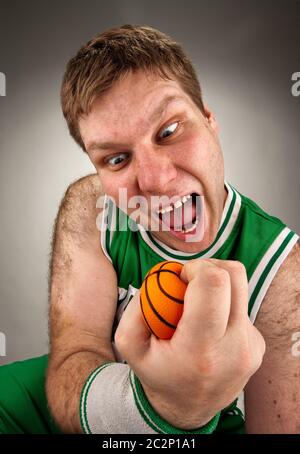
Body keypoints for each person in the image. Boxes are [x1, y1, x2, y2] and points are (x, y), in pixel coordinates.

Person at [0, 25, 299, 435]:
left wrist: (187, 415)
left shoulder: (281, 270)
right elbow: (74, 360)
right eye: (118, 158)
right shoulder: (93, 209)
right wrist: (161, 408)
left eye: (169, 131)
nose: (155, 180)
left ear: (209, 120)